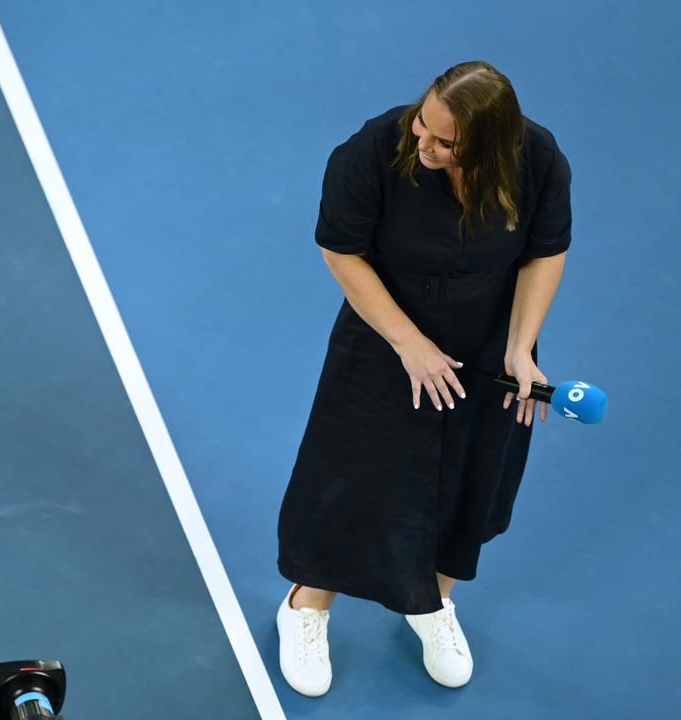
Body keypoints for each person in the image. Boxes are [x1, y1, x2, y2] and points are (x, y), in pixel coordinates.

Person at [276, 60, 572, 697]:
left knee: (473, 473)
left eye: (444, 142)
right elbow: (341, 251)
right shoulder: (375, 150)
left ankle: (431, 604)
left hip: (488, 337)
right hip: (388, 329)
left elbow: (545, 249)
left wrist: (520, 349)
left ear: (489, 148)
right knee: (353, 468)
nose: (423, 144)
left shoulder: (539, 159)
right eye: (423, 125)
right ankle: (306, 607)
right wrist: (409, 344)